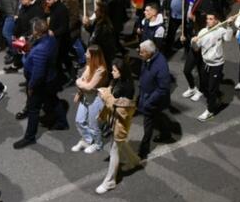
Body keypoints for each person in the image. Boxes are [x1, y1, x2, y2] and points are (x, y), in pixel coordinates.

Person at [13, 19, 68, 149]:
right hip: (51, 78)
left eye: (33, 30)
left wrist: (31, 86)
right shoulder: (50, 39)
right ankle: (62, 122)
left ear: (37, 32)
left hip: (41, 83)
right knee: (53, 100)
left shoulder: (40, 50)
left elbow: (38, 73)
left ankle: (30, 137)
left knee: (33, 109)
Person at [95, 58, 141, 194]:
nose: (112, 72)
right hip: (114, 120)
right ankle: (134, 160)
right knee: (119, 144)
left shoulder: (128, 87)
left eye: (114, 70)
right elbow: (111, 94)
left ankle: (110, 181)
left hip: (120, 123)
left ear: (122, 72)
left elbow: (122, 109)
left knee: (114, 149)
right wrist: (106, 92)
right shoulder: (116, 80)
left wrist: (106, 96)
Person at [191, 12, 233, 122]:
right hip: (205, 64)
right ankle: (217, 96)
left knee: (211, 88)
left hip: (217, 64)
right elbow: (196, 48)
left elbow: (228, 39)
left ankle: (210, 111)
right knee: (205, 85)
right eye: (207, 19)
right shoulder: (203, 32)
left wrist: (229, 26)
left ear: (216, 20)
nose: (207, 21)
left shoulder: (221, 30)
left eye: (210, 19)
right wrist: (193, 42)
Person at [137, 40, 174, 161]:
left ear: (148, 52)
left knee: (148, 125)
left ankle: (143, 150)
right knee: (157, 116)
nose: (139, 54)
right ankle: (166, 133)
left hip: (153, 100)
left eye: (141, 52)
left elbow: (163, 88)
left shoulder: (160, 65)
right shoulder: (148, 59)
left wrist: (149, 101)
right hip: (147, 95)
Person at [72, 44, 107, 154]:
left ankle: (97, 144)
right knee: (79, 120)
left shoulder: (101, 70)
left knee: (93, 125)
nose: (85, 54)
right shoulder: (89, 65)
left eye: (87, 53)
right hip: (86, 97)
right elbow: (84, 81)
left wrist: (78, 82)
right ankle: (88, 139)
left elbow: (89, 86)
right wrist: (80, 91)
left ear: (94, 56)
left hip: (96, 100)